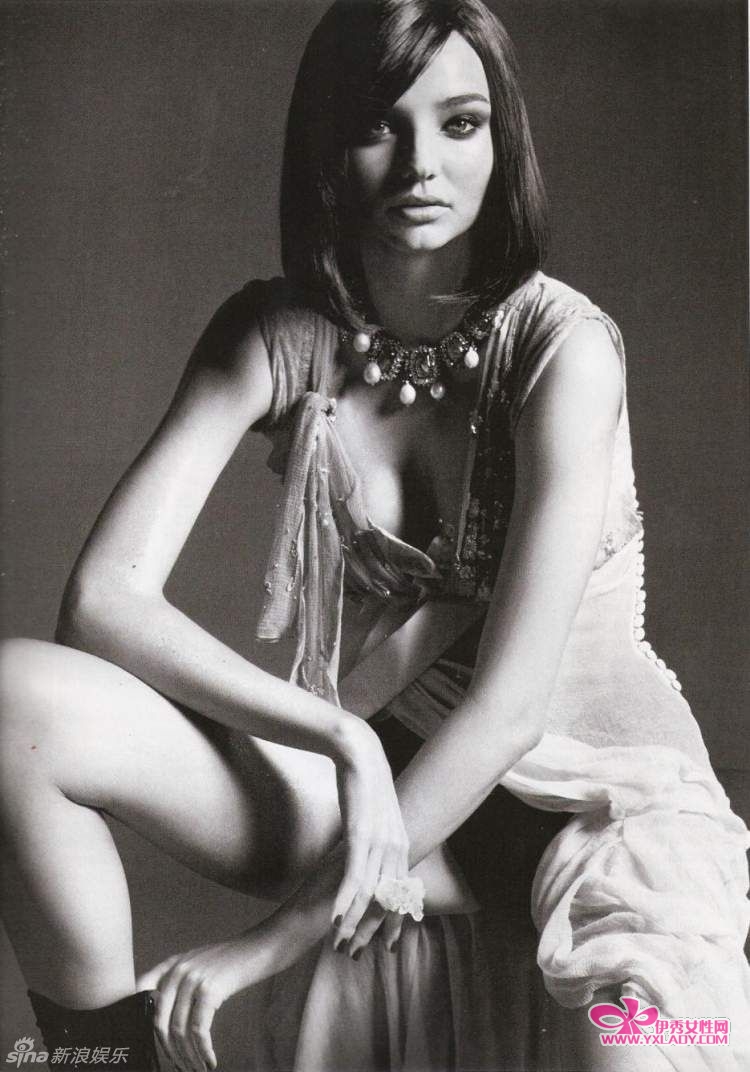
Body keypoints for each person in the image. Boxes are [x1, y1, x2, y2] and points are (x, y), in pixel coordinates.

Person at [1, 1, 748, 1071]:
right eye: (377, 126)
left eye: (460, 122)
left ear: (502, 140)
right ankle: (101, 1059)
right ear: (325, 143)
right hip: (385, 786)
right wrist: (343, 739)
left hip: (593, 818)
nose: (420, 165)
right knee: (16, 703)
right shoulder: (276, 334)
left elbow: (507, 714)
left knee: (650, 1046)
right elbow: (100, 602)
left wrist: (263, 947)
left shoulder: (565, 350)